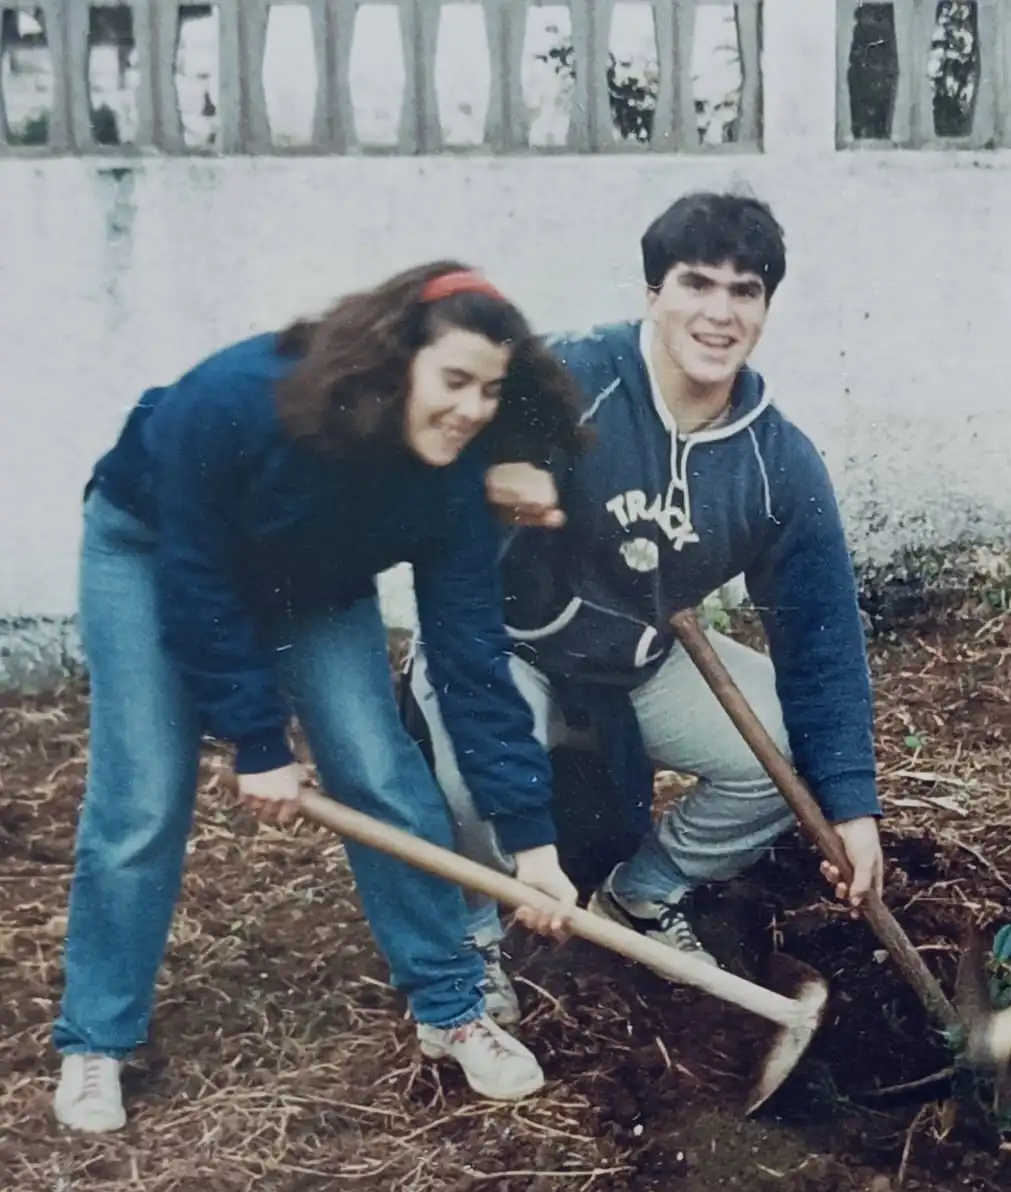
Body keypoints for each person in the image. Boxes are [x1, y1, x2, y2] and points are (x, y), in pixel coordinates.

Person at [54, 262, 587, 1135]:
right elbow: (196, 580)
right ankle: (95, 1039)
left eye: (490, 389)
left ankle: (450, 1008)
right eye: (454, 380)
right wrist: (258, 742)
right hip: (152, 549)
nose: (470, 408)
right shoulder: (240, 399)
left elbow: (470, 662)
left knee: (378, 764)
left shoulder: (451, 479)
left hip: (312, 574)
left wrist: (529, 842)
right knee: (145, 794)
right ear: (395, 362)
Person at [409, 192, 881, 979]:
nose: (719, 313)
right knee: (470, 771)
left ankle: (643, 894)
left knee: (787, 758)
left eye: (745, 291)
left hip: (636, 660)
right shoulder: (563, 384)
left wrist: (853, 808)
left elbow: (822, 641)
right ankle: (473, 939)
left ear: (766, 309)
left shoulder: (778, 464)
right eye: (696, 284)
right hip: (509, 645)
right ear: (653, 294)